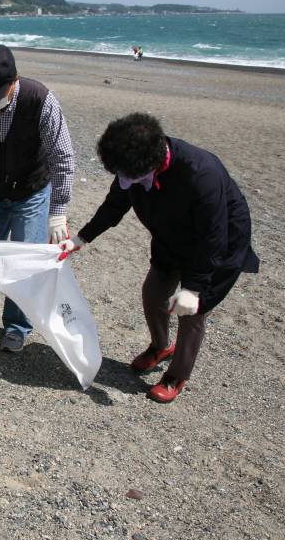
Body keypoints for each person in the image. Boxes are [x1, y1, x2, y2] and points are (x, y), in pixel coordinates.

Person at [58, 113, 259, 403]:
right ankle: (160, 346)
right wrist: (82, 238)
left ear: (149, 164)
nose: (123, 180)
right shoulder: (131, 165)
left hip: (219, 246)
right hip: (170, 235)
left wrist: (193, 288)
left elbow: (213, 238)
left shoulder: (201, 173)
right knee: (153, 293)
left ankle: (177, 375)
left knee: (192, 312)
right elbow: (115, 205)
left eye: (126, 175)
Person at [0, 44, 75, 352]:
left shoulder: (41, 100)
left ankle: (17, 325)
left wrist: (58, 211)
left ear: (14, 80)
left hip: (31, 192)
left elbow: (62, 157)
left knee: (25, 261)